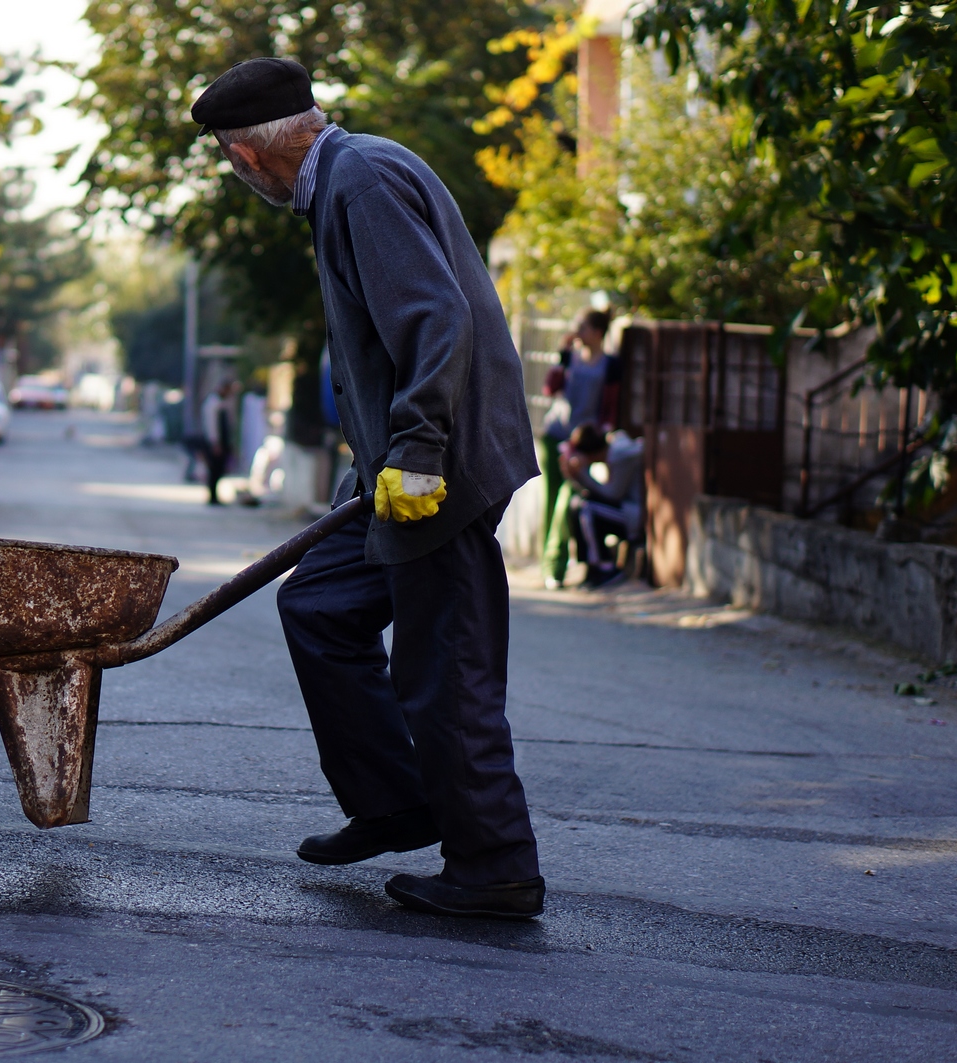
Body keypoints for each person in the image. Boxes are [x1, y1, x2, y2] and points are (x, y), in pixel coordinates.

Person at [191, 58, 543, 918]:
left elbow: (434, 318)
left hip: (439, 469)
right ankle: (396, 801)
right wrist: (376, 459)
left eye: (232, 166)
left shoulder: (361, 181)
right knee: (319, 606)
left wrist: (418, 449)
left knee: (445, 667)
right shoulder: (350, 176)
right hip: (396, 466)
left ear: (247, 156)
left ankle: (496, 866)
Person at [539, 309, 621, 589]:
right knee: (552, 500)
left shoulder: (609, 364)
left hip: (583, 443)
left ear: (598, 332)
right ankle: (551, 567)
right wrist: (561, 355)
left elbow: (610, 407)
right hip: (556, 435)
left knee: (570, 497)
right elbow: (549, 389)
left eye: (582, 327)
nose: (577, 332)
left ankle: (563, 562)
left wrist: (603, 440)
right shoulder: (570, 357)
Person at [560, 423, 644, 588]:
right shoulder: (613, 451)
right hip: (622, 511)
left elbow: (613, 494)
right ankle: (591, 568)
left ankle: (606, 567)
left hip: (633, 516)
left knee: (587, 508)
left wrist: (582, 474)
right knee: (577, 504)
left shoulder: (621, 455)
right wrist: (574, 477)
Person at [201, 379, 240, 505]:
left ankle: (214, 496)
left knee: (219, 469)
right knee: (214, 469)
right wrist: (215, 442)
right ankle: (212, 496)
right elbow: (211, 425)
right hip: (216, 442)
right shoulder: (213, 403)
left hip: (223, 442)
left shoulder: (224, 403)